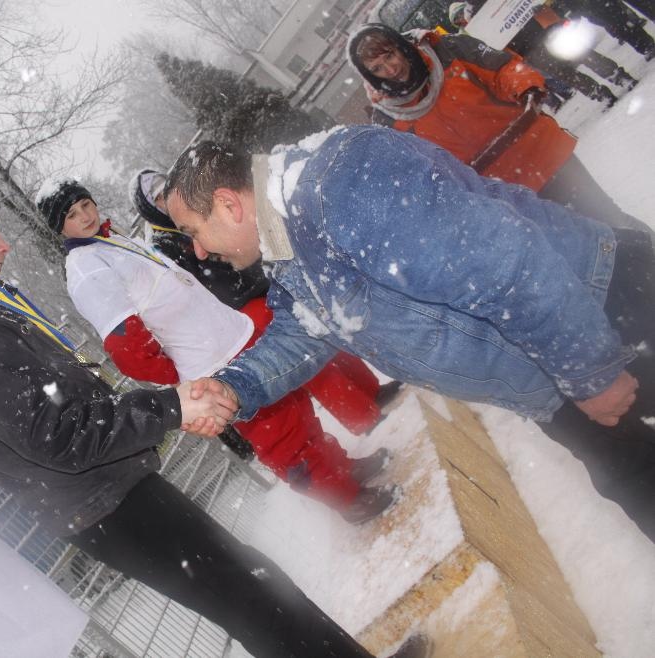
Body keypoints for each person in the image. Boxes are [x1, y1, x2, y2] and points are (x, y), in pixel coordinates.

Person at [0, 182, 430, 658]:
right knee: (251, 592)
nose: (4, 245)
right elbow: (59, 432)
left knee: (249, 588)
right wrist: (172, 403)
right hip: (100, 501)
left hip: (104, 492)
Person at [162, 130, 655, 543]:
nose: (198, 252)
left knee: (636, 478)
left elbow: (503, 264)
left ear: (228, 205)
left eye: (192, 231)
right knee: (634, 479)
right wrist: (234, 388)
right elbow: (304, 328)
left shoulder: (338, 186)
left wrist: (590, 373)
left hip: (601, 311)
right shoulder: (289, 239)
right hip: (551, 364)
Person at [38, 178, 399, 524]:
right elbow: (127, 347)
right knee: (280, 436)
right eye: (72, 214)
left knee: (296, 411)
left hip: (232, 338)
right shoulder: (85, 266)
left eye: (86, 204)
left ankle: (341, 468)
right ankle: (346, 499)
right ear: (59, 226)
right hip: (212, 363)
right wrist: (181, 371)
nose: (85, 216)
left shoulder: (110, 240)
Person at [130, 168, 404, 435]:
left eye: (166, 189)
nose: (166, 201)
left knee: (324, 326)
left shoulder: (197, 208)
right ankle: (361, 415)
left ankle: (371, 390)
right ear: (150, 208)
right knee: (302, 351)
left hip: (260, 280)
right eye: (158, 198)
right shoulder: (163, 243)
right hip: (242, 305)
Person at [347, 23, 650, 235]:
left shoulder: (449, 50)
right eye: (377, 69)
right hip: (506, 195)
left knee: (610, 220)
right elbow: (418, 168)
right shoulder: (387, 120)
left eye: (390, 55)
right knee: (583, 252)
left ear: (401, 46)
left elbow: (504, 69)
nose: (390, 69)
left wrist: (525, 87)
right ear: (369, 76)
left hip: (540, 152)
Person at [448, 2, 636, 107]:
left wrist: (538, 6)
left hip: (544, 30)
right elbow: (486, 43)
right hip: (527, 49)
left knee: (582, 55)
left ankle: (619, 77)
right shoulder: (472, 19)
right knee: (566, 74)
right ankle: (600, 94)